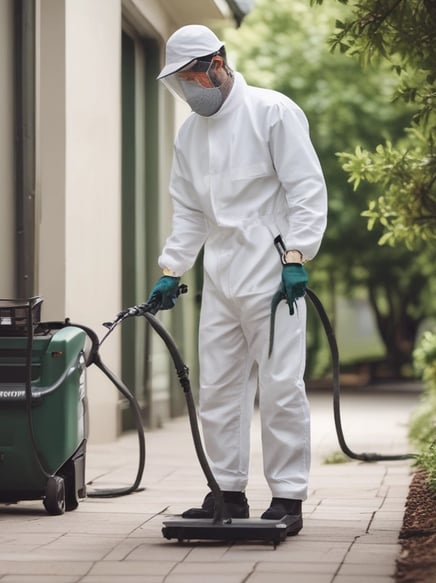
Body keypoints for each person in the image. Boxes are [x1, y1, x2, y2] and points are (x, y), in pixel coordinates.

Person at [148, 24, 327, 535]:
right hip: (221, 277)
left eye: (192, 77)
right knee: (219, 387)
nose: (188, 89)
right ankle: (226, 491)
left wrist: (297, 254)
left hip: (273, 274)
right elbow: (189, 213)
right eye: (180, 81)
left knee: (279, 385)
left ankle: (288, 496)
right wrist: (170, 269)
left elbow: (306, 190)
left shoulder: (272, 112)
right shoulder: (189, 135)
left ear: (218, 64)